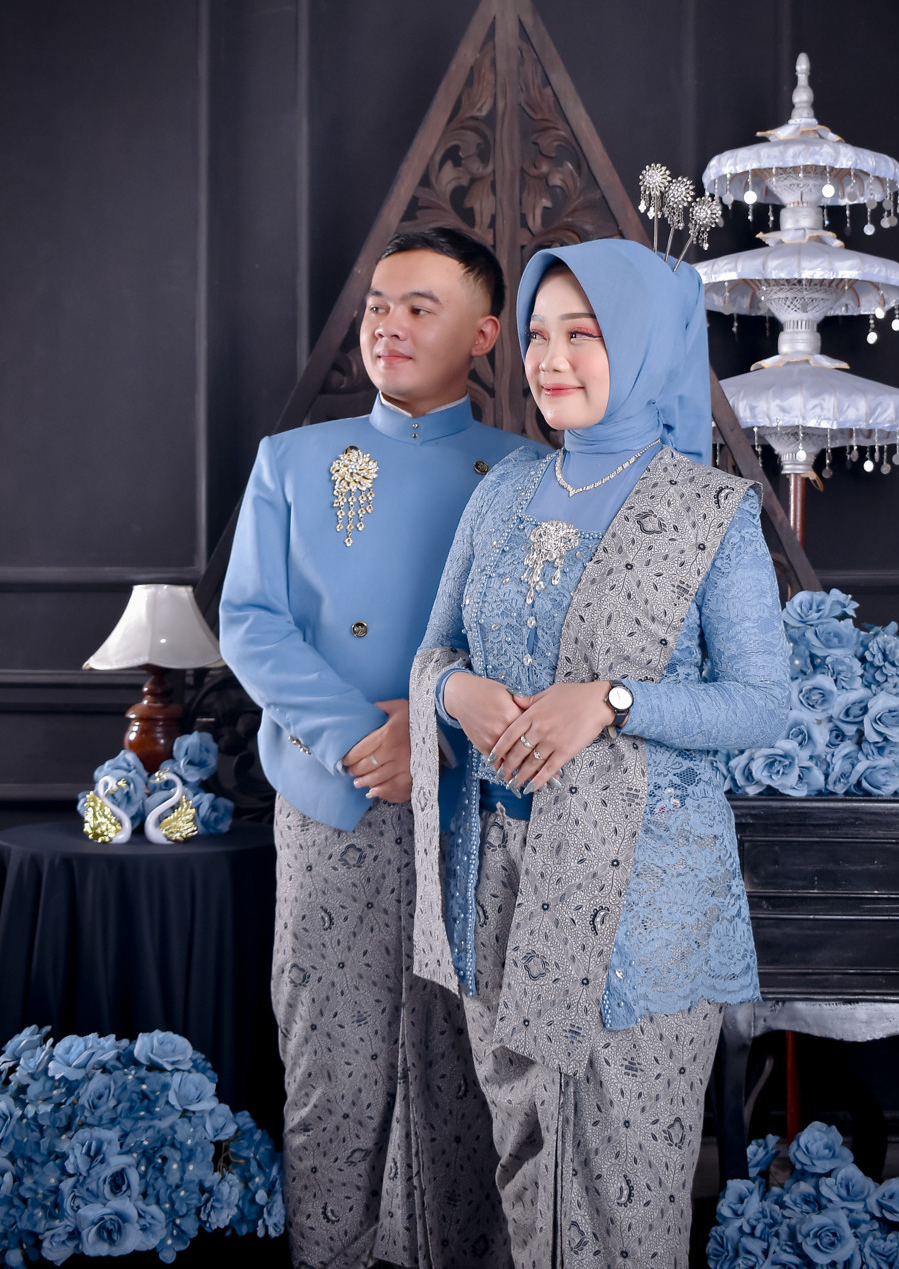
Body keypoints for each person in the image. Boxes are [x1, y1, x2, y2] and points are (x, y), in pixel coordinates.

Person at [408, 238, 790, 1268]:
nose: (550, 359)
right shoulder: (501, 492)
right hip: (500, 883)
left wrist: (613, 703)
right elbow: (432, 652)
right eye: (537, 335)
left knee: (623, 1187)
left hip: (640, 905)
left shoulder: (709, 513)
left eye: (583, 334)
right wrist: (454, 690)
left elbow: (763, 704)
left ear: (646, 343)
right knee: (520, 1161)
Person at [220, 226, 541, 1269]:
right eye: (377, 306)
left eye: (419, 308)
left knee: (468, 1069)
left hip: (477, 805)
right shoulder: (292, 460)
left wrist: (429, 733)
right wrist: (367, 737)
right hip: (336, 795)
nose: (388, 326)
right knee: (331, 1063)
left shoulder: (529, 475)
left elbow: (540, 645)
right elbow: (252, 624)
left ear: (484, 335)